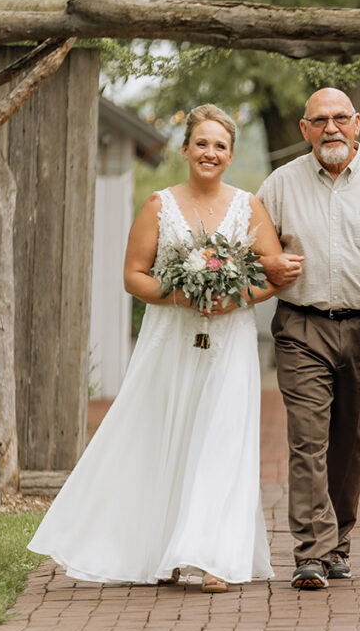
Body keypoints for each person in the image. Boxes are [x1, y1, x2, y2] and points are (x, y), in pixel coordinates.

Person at [28, 104, 284, 593]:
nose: (210, 153)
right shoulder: (158, 205)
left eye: (220, 146)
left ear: (230, 156)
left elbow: (273, 276)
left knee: (223, 440)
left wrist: (231, 299)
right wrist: (185, 294)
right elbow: (133, 277)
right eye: (202, 144)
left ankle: (214, 557)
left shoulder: (248, 207)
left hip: (229, 341)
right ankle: (159, 547)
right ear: (186, 149)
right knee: (163, 435)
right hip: (170, 338)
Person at [257, 87, 360, 590]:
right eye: (318, 120)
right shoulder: (279, 186)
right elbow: (254, 251)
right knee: (308, 439)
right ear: (303, 129)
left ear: (356, 123)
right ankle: (311, 551)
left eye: (339, 119)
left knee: (351, 442)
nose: (330, 128)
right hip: (301, 327)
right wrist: (270, 263)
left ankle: (338, 542)